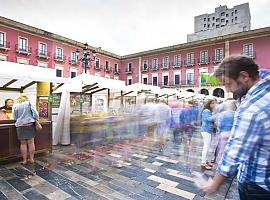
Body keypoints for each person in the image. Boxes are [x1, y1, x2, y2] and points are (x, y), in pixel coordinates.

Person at [200, 55, 270, 199]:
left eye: (228, 84)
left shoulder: (252, 107)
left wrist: (215, 184)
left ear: (244, 76)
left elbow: (235, 150)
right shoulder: (265, 84)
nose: (228, 89)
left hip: (257, 184)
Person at [13, 95, 39, 164]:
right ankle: (31, 159)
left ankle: (24, 160)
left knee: (23, 143)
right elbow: (36, 114)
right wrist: (35, 119)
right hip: (29, 124)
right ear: (26, 98)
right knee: (31, 143)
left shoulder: (15, 106)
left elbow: (15, 117)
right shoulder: (29, 104)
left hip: (20, 126)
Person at [200, 99, 216, 170]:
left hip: (207, 130)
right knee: (206, 147)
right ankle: (203, 163)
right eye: (212, 103)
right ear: (208, 104)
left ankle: (205, 161)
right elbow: (208, 119)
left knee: (207, 146)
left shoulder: (208, 111)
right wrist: (216, 116)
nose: (214, 105)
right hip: (206, 130)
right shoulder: (206, 111)